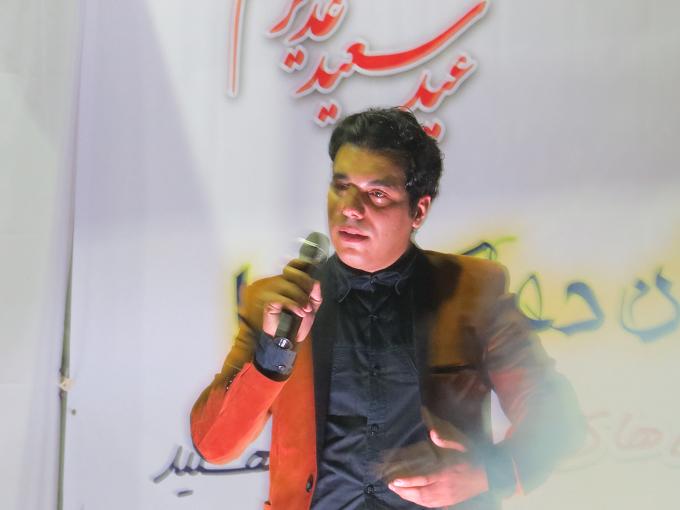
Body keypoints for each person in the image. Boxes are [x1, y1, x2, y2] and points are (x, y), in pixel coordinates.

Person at [190, 107, 585, 509]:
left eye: (376, 194)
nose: (350, 208)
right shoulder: (277, 303)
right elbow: (214, 445)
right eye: (341, 186)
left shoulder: (472, 291)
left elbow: (558, 419)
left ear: (418, 210)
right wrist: (274, 355)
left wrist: (484, 474)